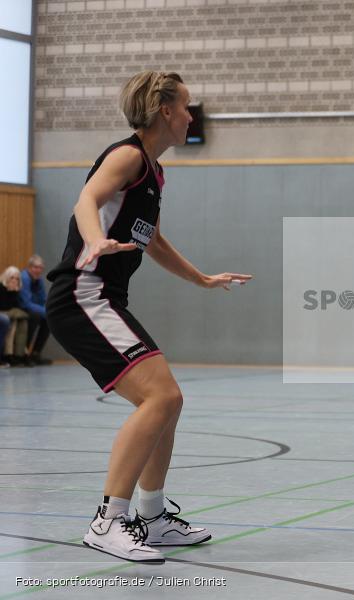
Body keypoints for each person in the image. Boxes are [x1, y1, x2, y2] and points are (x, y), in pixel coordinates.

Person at [45, 70, 252, 563]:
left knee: (168, 401)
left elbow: (152, 239)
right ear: (164, 110)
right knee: (161, 396)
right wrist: (93, 238)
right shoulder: (128, 155)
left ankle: (153, 518)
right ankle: (108, 522)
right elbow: (86, 199)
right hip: (82, 296)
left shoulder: (154, 174)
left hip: (104, 300)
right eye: (185, 105)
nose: (190, 114)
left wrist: (201, 279)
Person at [19, 255, 52, 366]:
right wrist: (45, 311)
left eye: (40, 268)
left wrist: (49, 311)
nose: (38, 270)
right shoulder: (24, 278)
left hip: (35, 309)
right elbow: (25, 303)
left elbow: (43, 299)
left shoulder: (39, 280)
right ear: (29, 267)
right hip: (21, 308)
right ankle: (24, 354)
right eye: (35, 267)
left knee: (49, 320)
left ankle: (35, 354)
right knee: (35, 317)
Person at [0, 267, 31, 368]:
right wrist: (11, 292)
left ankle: (19, 354)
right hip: (3, 312)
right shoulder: (1, 287)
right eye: (12, 277)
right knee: (12, 321)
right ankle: (9, 354)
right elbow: (4, 306)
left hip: (9, 313)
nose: (14, 280)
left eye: (17, 278)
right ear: (7, 277)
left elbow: (17, 306)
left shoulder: (16, 289)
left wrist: (13, 292)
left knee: (22, 321)